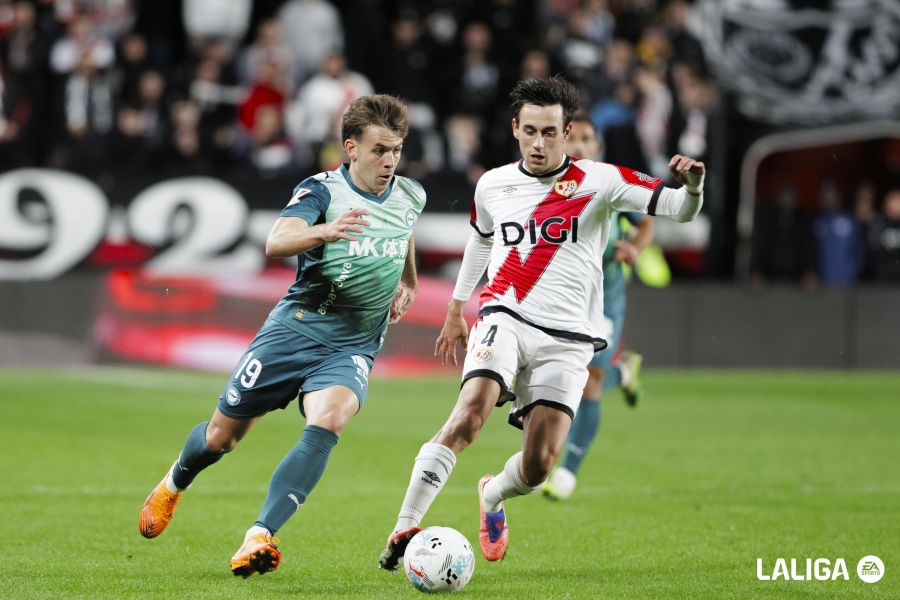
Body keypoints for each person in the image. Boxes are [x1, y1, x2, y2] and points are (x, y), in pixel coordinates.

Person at [377, 76, 704, 569]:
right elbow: (482, 241)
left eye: (550, 132)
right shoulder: (493, 184)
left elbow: (680, 209)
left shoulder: (601, 180)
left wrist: (695, 185)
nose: (538, 143)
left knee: (537, 467)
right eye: (529, 131)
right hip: (504, 315)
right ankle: (404, 527)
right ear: (515, 129)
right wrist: (455, 308)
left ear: (567, 131)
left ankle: (492, 493)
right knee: (469, 414)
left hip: (569, 339)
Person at [138, 94, 425, 577]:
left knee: (330, 420)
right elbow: (277, 240)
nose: (390, 161)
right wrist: (326, 231)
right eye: (379, 150)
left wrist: (409, 280)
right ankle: (173, 483)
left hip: (351, 345)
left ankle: (259, 535)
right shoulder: (322, 190)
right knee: (220, 438)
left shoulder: (410, 194)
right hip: (293, 333)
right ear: (351, 148)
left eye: (396, 149)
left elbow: (405, 231)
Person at [543, 113, 654, 501]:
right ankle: (623, 374)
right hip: (560, 299)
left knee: (588, 379)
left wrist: (634, 248)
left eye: (586, 139)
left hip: (605, 300)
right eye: (570, 138)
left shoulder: (611, 185)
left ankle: (568, 472)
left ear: (597, 147)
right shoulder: (546, 186)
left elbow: (645, 223)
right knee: (558, 378)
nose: (577, 145)